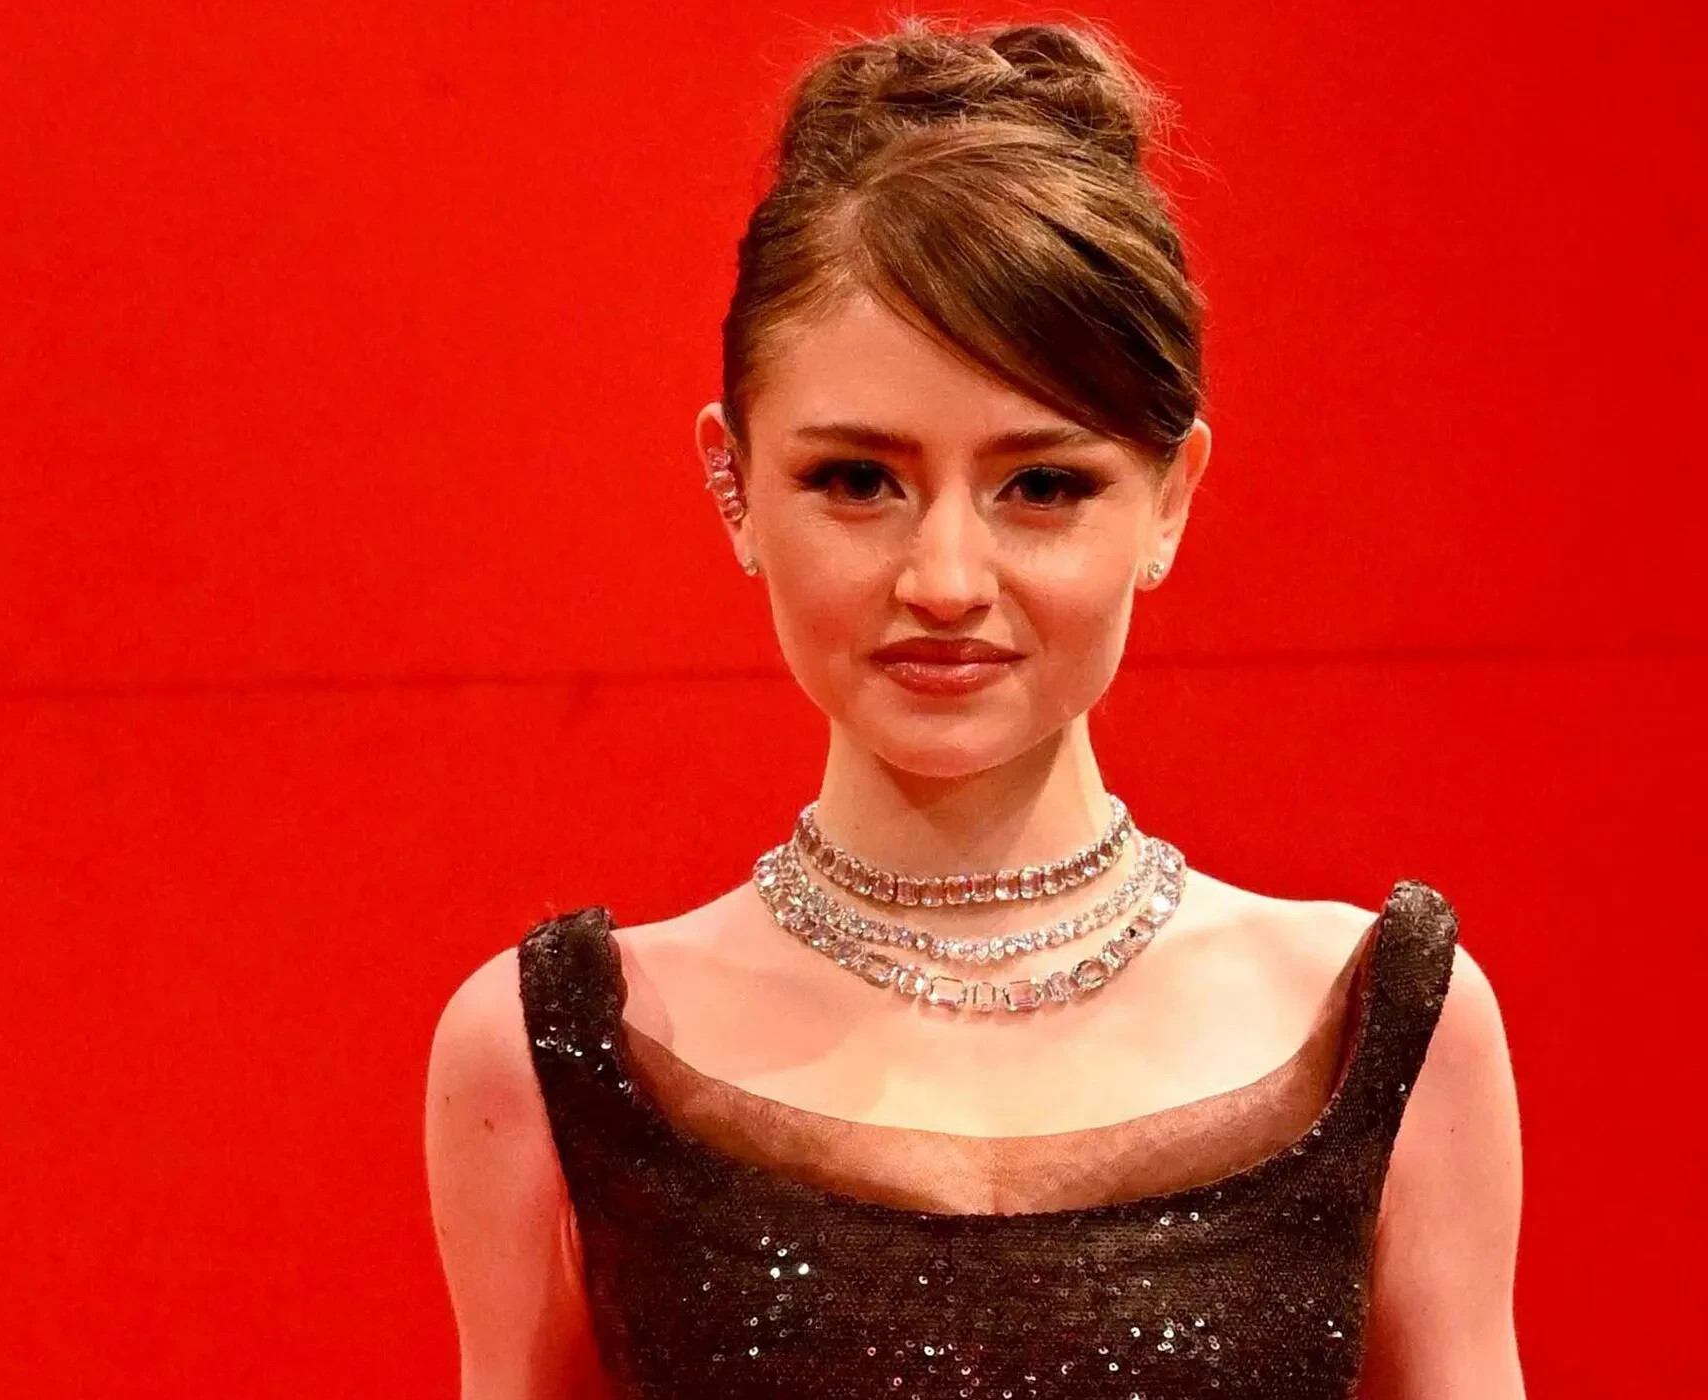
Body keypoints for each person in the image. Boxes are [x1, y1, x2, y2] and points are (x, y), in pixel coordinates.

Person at [424, 16, 1524, 1399]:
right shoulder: (548, 1051)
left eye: (1042, 486)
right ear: (733, 483)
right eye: (856, 481)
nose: (945, 580)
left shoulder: (1385, 1024)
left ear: (1169, 500)